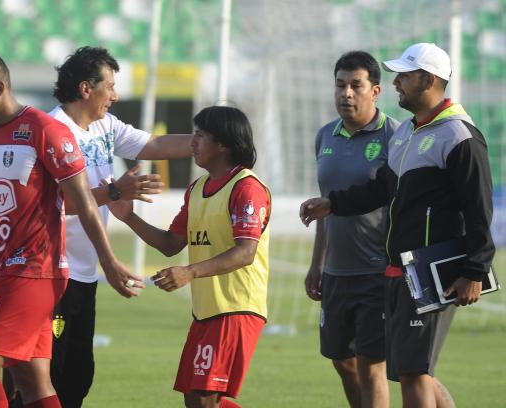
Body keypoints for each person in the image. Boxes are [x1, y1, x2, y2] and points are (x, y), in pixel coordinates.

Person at [0, 51, 144, 408]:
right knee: (32, 380)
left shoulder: (45, 130)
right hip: (7, 270)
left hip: (35, 270)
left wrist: (108, 261)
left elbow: (84, 203)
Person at [300, 43, 495, 408]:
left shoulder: (460, 135)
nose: (397, 83)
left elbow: (479, 209)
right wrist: (333, 203)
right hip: (401, 269)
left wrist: (475, 270)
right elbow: (381, 188)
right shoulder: (408, 132)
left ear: (429, 79)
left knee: (415, 370)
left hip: (435, 268)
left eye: (404, 76)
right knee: (407, 368)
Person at [48, 46, 192, 408]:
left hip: (84, 273)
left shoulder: (104, 126)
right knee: (46, 376)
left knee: (78, 376)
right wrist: (114, 191)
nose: (115, 95)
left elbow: (154, 144)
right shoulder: (50, 131)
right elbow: (51, 204)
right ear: (85, 89)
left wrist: (212, 142)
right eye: (109, 86)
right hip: (51, 273)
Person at [110, 106, 271, 408]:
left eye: (200, 136)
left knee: (203, 398)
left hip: (236, 307)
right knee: (196, 398)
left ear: (223, 144)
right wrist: (129, 217)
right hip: (207, 310)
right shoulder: (197, 189)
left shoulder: (246, 187)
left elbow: (245, 252)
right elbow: (171, 244)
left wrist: (189, 272)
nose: (192, 143)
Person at [305, 51, 398, 408]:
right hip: (336, 272)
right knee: (342, 360)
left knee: (373, 365)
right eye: (340, 85)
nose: (346, 93)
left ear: (375, 91)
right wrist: (317, 264)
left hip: (377, 271)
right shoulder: (324, 136)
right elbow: (325, 205)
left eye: (355, 86)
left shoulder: (396, 136)